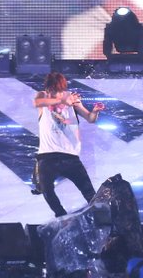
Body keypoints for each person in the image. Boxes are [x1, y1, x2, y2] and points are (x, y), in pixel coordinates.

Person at [33, 71, 104, 218]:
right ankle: (61, 216)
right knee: (46, 189)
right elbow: (37, 103)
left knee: (89, 192)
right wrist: (63, 101)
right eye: (52, 89)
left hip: (70, 156)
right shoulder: (43, 95)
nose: (55, 93)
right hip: (47, 156)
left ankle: (102, 219)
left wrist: (95, 111)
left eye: (58, 89)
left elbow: (90, 119)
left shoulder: (71, 98)